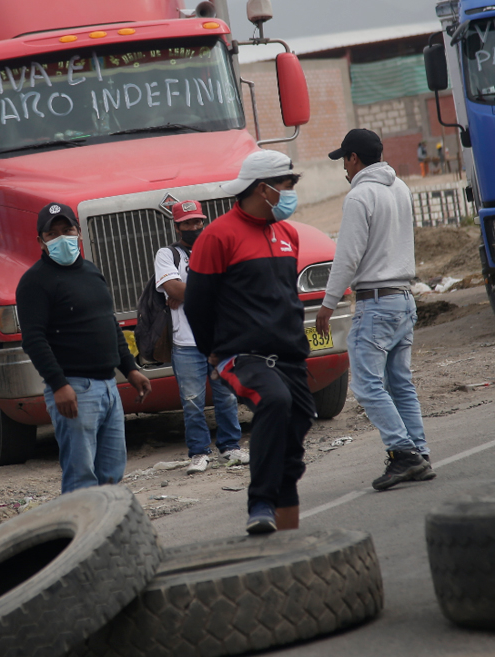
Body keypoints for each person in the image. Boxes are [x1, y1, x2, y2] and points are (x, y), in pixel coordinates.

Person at [185, 150, 316, 534]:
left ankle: (286, 539)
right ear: (264, 189)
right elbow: (197, 305)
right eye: (288, 186)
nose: (292, 194)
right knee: (274, 401)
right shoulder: (217, 236)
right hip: (241, 355)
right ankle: (259, 502)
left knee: (296, 432)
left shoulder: (288, 233)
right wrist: (214, 350)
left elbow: (286, 298)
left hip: (290, 356)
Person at [317, 128, 431, 491]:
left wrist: (327, 304)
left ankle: (404, 453)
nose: (344, 171)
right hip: (403, 299)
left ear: (354, 158)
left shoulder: (359, 196)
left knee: (367, 386)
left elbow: (347, 257)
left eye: (344, 161)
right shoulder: (400, 189)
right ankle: (420, 452)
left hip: (376, 303)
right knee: (399, 382)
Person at [17, 202, 152, 493]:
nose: (61, 238)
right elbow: (34, 339)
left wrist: (130, 368)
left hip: (108, 388)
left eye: (67, 230)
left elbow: (108, 324)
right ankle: (80, 533)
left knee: (112, 475)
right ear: (40, 241)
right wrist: (59, 384)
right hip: (74, 390)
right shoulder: (34, 282)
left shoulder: (91, 272)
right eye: (52, 234)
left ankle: (109, 535)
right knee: (81, 478)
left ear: (78, 232)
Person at [153, 200, 247, 475]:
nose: (194, 227)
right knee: (192, 400)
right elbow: (170, 286)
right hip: (186, 343)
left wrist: (186, 293)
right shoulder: (167, 254)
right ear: (177, 226)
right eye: (188, 223)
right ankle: (198, 452)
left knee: (227, 396)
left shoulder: (218, 249)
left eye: (198, 222)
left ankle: (231, 448)